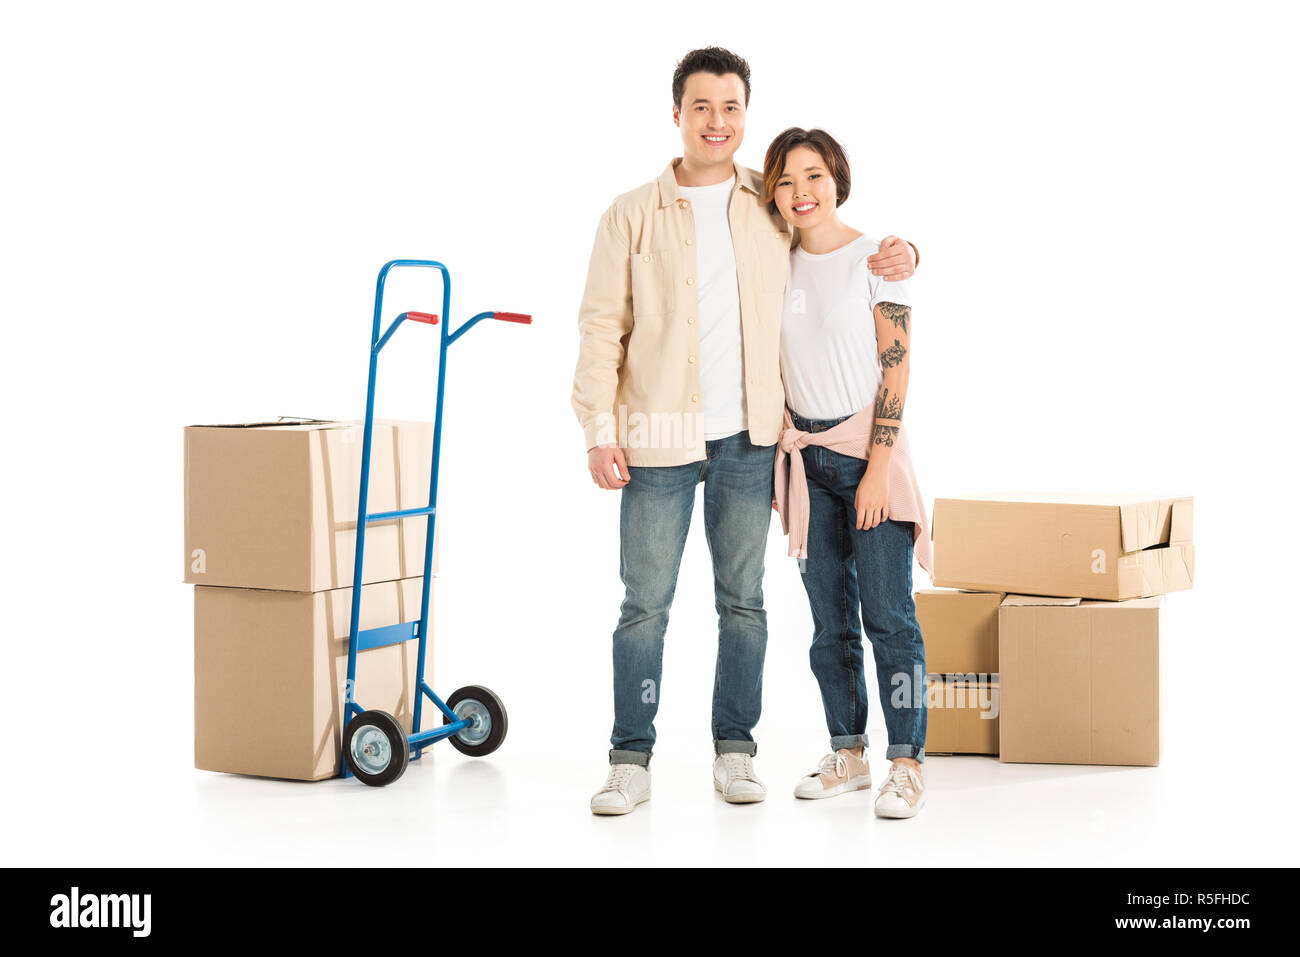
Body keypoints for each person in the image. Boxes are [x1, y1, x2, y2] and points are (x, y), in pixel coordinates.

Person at [571, 48, 920, 815]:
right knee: (644, 605)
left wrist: (905, 252)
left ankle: (736, 749)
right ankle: (630, 757)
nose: (717, 122)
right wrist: (599, 430)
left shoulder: (771, 202)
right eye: (702, 107)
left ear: (743, 115)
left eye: (731, 108)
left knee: (745, 602)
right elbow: (601, 327)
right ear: (677, 114)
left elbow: (838, 246)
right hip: (657, 438)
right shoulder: (629, 214)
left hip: (753, 442)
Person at [768, 127, 932, 819]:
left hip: (869, 459)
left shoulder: (874, 259)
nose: (800, 192)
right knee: (827, 625)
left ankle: (906, 761)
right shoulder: (773, 263)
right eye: (784, 180)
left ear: (837, 177)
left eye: (813, 175)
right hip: (807, 464)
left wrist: (879, 468)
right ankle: (850, 752)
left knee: (889, 617)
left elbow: (896, 363)